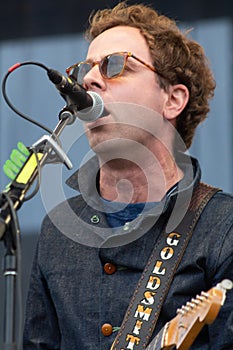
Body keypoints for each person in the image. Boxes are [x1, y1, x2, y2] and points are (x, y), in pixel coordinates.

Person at [23, 2, 233, 349]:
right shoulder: (58, 229)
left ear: (173, 100)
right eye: (84, 70)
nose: (89, 80)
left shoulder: (223, 227)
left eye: (115, 65)